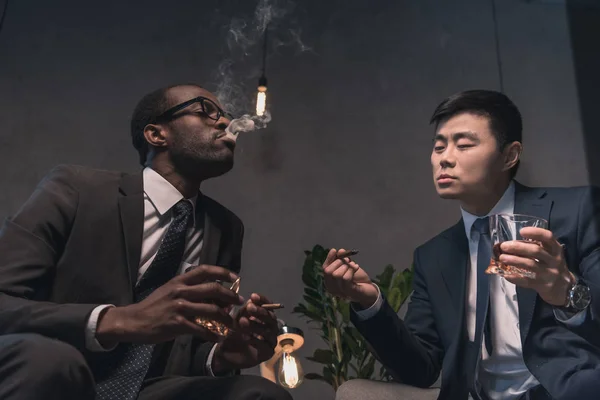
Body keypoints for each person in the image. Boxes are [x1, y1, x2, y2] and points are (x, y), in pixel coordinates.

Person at [0, 84, 292, 400]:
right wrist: (115, 320)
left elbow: (183, 349)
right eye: (205, 110)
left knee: (260, 394)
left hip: (148, 389)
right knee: (52, 362)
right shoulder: (76, 189)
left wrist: (220, 356)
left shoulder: (225, 228)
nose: (224, 123)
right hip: (56, 368)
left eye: (225, 115)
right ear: (156, 135)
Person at [324, 90, 600, 400]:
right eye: (438, 146)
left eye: (464, 145)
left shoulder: (577, 210)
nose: (445, 158)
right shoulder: (433, 256)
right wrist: (370, 303)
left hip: (561, 391)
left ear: (509, 155)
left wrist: (567, 293)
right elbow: (420, 369)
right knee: (353, 392)